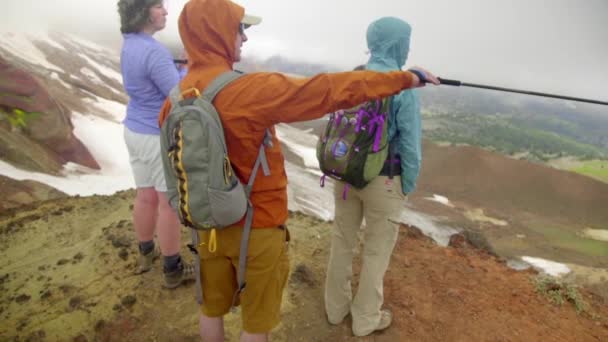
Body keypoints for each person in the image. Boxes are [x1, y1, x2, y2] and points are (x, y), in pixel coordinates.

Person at [157, 0, 438, 340]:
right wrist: (405, 78)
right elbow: (326, 92)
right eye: (239, 29)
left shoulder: (174, 98)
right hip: (256, 226)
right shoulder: (248, 91)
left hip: (205, 224)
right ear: (218, 32)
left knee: (211, 308)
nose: (244, 39)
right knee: (255, 321)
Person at [324, 17, 422, 337]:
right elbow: (410, 144)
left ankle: (335, 309)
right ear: (395, 44)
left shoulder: (353, 76)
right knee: (376, 252)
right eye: (405, 41)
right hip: (385, 180)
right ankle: (365, 319)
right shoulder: (402, 84)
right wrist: (406, 185)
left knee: (342, 241)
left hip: (346, 173)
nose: (407, 48)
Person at [117, 0, 194, 288]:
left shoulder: (130, 43)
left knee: (145, 196)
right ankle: (173, 268)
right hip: (154, 134)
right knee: (168, 204)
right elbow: (177, 96)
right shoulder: (154, 51)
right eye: (158, 6)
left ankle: (146, 253)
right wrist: (187, 67)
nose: (165, 11)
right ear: (142, 11)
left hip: (134, 129)